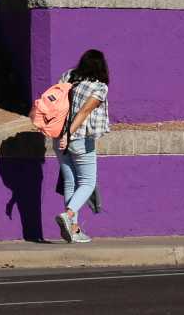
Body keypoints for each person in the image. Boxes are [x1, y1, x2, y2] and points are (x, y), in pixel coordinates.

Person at [54, 48, 110, 244]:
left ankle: (74, 230)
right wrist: (69, 135)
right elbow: (84, 112)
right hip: (79, 139)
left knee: (71, 182)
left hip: (57, 137)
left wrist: (63, 135)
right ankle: (69, 215)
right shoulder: (99, 87)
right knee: (88, 182)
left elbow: (56, 103)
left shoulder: (68, 76)